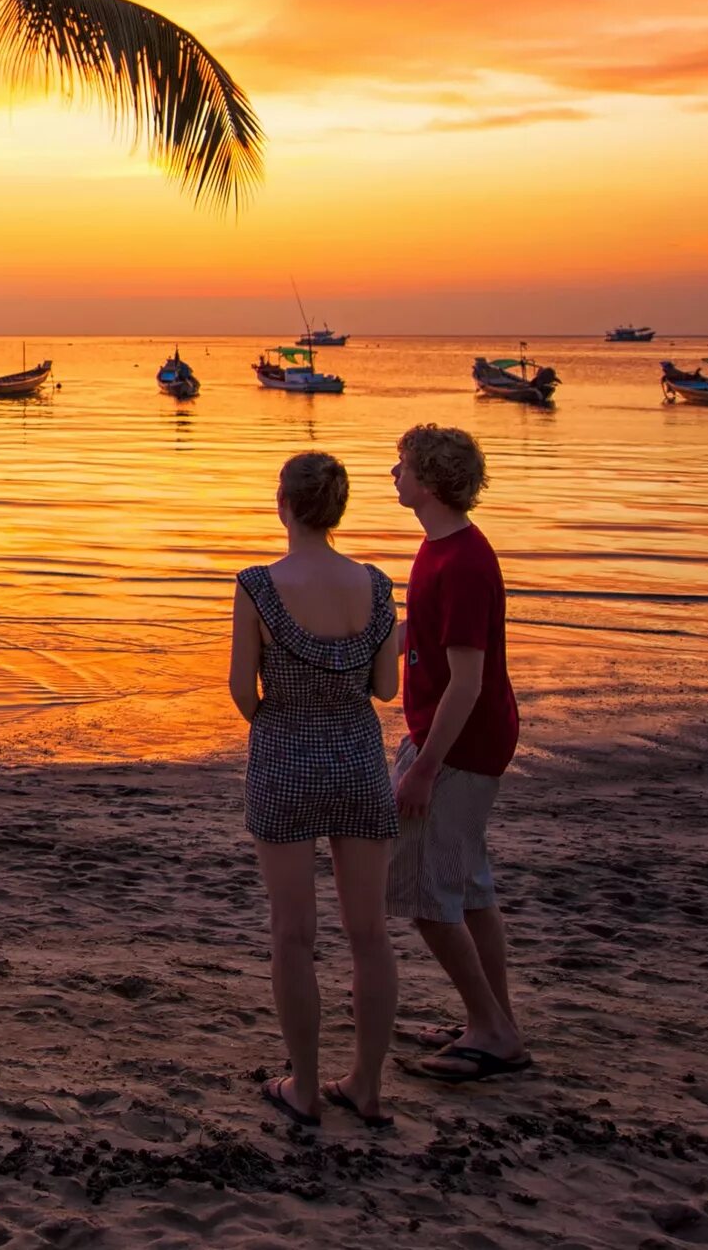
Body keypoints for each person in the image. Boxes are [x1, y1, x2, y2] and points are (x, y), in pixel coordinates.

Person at [229, 451, 402, 1129]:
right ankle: (366, 1085)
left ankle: (304, 1087)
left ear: (286, 505)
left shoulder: (258, 586)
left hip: (285, 756)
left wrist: (280, 721)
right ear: (338, 509)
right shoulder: (378, 585)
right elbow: (386, 688)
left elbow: (244, 691)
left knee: (293, 934)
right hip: (358, 759)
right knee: (369, 935)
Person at [387, 423, 530, 1082]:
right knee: (470, 888)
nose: (395, 474)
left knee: (424, 895)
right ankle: (492, 1018)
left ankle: (493, 1032)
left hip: (461, 746)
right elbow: (423, 633)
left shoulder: (466, 562)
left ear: (433, 481)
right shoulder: (438, 548)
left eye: (403, 465)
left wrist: (423, 766)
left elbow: (468, 680)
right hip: (454, 738)